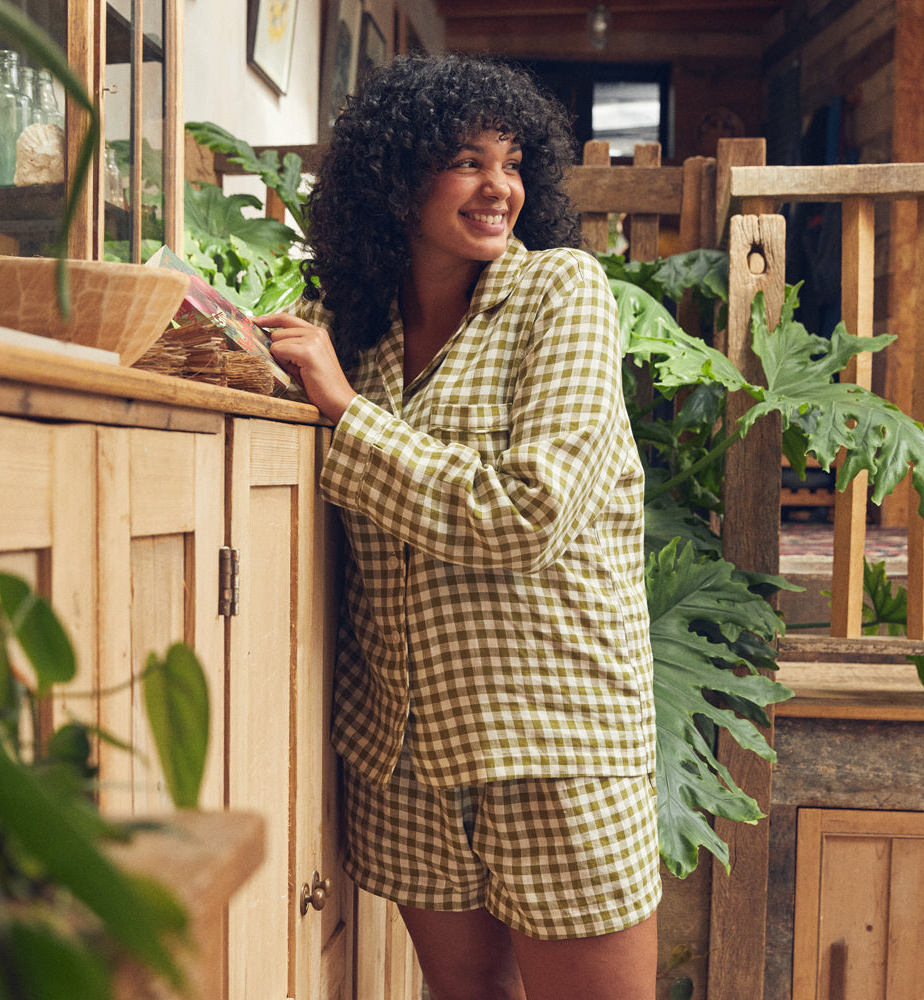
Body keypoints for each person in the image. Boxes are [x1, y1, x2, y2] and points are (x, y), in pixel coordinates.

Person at [261, 53, 660, 1000]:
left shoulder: (562, 295)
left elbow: (528, 514)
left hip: (554, 741)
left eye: (513, 161)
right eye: (468, 161)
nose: (500, 188)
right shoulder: (348, 324)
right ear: (395, 179)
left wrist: (347, 414)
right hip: (400, 750)